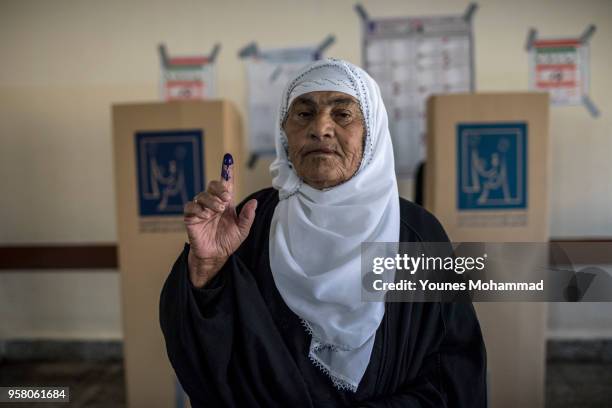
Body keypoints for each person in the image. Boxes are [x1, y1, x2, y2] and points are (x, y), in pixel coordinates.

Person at [159, 58, 487, 407]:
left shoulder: (415, 235)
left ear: (371, 130)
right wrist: (207, 267)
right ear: (284, 132)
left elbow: (452, 371)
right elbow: (207, 358)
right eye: (304, 114)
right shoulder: (249, 223)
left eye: (342, 114)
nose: (321, 128)